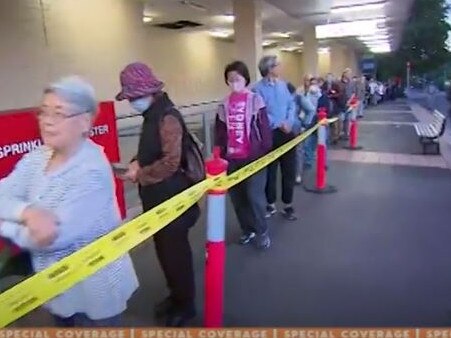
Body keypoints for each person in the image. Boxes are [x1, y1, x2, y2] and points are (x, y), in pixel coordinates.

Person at [0, 76, 139, 327]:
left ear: (85, 121)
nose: (47, 121)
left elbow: (51, 238)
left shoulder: (92, 170)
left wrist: (7, 223)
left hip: (96, 288)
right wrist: (28, 212)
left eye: (59, 113)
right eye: (43, 112)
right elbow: (3, 192)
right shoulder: (38, 157)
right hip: (55, 286)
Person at [116, 62, 200, 327]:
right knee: (164, 251)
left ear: (147, 92)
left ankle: (186, 305)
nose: (131, 102)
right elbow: (151, 151)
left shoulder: (167, 117)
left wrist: (138, 174)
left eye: (132, 97)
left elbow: (170, 163)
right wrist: (136, 162)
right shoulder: (153, 114)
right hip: (158, 198)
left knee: (176, 254)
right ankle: (175, 296)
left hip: (172, 199)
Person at [215, 61, 272, 249]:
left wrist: (265, 150)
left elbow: (263, 127)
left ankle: (262, 231)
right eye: (230, 79)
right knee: (238, 199)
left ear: (245, 79)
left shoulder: (255, 100)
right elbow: (220, 131)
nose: (234, 82)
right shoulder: (223, 104)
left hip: (253, 158)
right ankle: (248, 230)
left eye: (237, 78)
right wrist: (219, 152)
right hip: (232, 159)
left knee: (255, 197)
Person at [253, 55, 297, 221]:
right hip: (270, 133)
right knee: (270, 172)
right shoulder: (257, 89)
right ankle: (270, 204)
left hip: (287, 132)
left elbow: (291, 105)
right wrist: (279, 123)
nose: (281, 67)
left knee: (289, 171)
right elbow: (260, 113)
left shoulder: (283, 85)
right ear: (270, 68)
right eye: (278, 65)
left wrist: (289, 121)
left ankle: (288, 204)